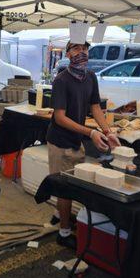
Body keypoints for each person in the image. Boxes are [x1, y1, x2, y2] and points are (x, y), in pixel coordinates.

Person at [46, 40, 120, 249]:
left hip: (76, 139)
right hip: (60, 141)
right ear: (68, 54)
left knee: (69, 184)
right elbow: (59, 118)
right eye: (77, 49)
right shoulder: (61, 80)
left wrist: (107, 131)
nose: (82, 52)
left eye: (85, 49)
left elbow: (95, 108)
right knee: (64, 187)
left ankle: (58, 214)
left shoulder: (90, 77)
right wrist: (91, 132)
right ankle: (64, 231)